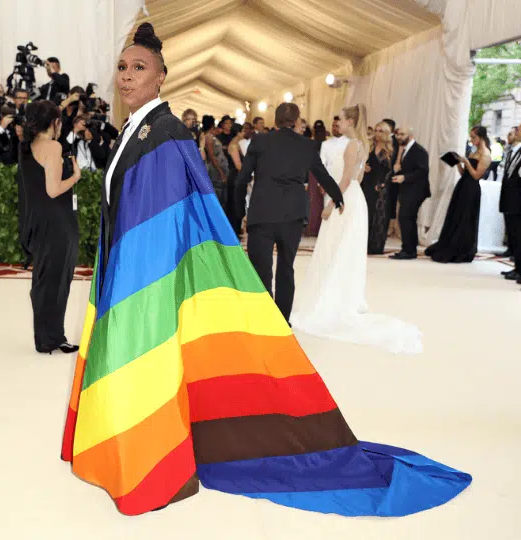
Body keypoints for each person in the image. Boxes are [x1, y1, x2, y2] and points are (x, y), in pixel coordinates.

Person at [62, 21, 470, 518]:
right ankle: (124, 445)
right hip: (135, 267)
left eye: (139, 68)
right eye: (122, 67)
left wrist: (145, 278)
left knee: (148, 359)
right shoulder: (135, 129)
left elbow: (164, 218)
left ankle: (153, 463)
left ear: (161, 76)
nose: (127, 76)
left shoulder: (164, 131)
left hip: (148, 276)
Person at [291, 105, 422, 355]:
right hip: (354, 198)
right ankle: (341, 295)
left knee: (336, 248)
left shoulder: (352, 145)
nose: (338, 123)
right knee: (343, 248)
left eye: (341, 119)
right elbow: (358, 179)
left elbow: (346, 179)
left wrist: (331, 203)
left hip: (345, 199)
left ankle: (332, 298)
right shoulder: (361, 144)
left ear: (351, 122)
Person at [236, 103, 344, 323]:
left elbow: (242, 179)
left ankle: (265, 317)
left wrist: (240, 211)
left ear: (275, 121)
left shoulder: (259, 141)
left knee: (261, 269)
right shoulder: (307, 145)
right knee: (286, 267)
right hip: (293, 214)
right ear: (296, 121)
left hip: (262, 213)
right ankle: (283, 319)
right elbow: (322, 175)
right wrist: (338, 196)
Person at [19, 100, 81, 354]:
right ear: (55, 122)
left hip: (39, 222)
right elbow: (53, 190)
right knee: (57, 281)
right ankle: (52, 337)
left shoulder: (26, 146)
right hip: (58, 224)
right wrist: (75, 177)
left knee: (44, 281)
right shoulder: (53, 147)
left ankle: (48, 337)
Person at [424, 126, 489, 263]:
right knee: (456, 215)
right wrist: (459, 163)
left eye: (474, 137)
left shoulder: (486, 154)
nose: (471, 140)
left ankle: (461, 248)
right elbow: (464, 173)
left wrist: (467, 162)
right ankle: (449, 243)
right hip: (462, 186)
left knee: (465, 218)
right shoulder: (474, 152)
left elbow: (476, 176)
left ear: (481, 137)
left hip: (471, 189)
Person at [389, 127, 431, 259]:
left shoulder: (419, 151)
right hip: (408, 190)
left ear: (410, 135)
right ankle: (409, 249)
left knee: (406, 218)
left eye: (402, 134)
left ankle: (408, 250)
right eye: (397, 134)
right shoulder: (404, 149)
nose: (399, 137)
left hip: (416, 190)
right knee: (407, 219)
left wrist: (404, 177)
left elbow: (423, 171)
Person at [362, 121, 394, 254]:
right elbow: (360, 162)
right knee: (366, 214)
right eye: (376, 130)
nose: (377, 133)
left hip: (381, 187)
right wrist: (363, 167)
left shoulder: (390, 150)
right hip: (367, 184)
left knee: (379, 216)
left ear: (386, 133)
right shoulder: (369, 147)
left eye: (380, 131)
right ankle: (363, 244)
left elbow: (391, 171)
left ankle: (375, 246)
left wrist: (384, 184)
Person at [499, 126, 520, 261]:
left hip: (516, 195)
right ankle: (512, 250)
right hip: (508, 192)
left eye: (517, 130)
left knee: (516, 228)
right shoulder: (511, 150)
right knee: (510, 225)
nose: (515, 133)